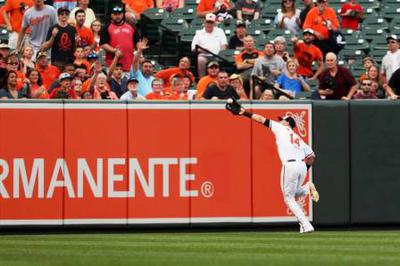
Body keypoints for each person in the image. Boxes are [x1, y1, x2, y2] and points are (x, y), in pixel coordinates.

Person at [225, 99, 319, 233]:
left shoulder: (281, 128)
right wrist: (305, 168)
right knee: (293, 193)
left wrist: (244, 112)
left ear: (288, 123)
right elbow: (312, 156)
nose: (280, 121)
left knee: (288, 197)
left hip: (290, 165)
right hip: (302, 165)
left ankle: (306, 225)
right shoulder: (298, 138)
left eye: (283, 119)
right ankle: (306, 189)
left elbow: (261, 119)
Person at [100, 4, 140, 74]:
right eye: (115, 14)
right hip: (113, 65)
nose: (117, 16)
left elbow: (137, 41)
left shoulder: (131, 27)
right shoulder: (107, 28)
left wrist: (139, 50)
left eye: (119, 14)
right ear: (111, 15)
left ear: (122, 15)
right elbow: (103, 44)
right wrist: (114, 50)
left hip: (129, 64)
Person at [191, 13, 227, 77]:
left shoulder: (220, 31)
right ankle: (202, 79)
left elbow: (224, 45)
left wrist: (220, 53)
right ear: (204, 23)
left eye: (211, 23)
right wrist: (202, 50)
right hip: (204, 55)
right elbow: (193, 48)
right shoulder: (199, 33)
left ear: (214, 23)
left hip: (217, 55)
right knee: (200, 60)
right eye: (208, 22)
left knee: (218, 60)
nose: (209, 24)